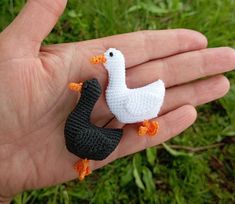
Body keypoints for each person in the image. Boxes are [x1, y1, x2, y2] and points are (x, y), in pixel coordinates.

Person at [0, 0, 234, 203]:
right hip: (104, 134)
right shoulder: (108, 101)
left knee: (118, 119)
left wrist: (146, 123)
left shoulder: (119, 101)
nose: (102, 59)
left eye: (108, 57)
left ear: (115, 61)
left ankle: (144, 125)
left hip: (134, 113)